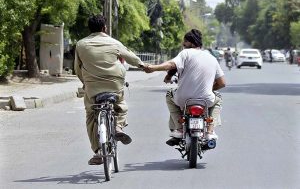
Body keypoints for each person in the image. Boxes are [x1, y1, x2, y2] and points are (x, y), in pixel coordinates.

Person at [74, 14, 145, 165]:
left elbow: (77, 68)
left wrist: (85, 83)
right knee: (121, 105)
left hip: (92, 86)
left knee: (91, 115)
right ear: (104, 28)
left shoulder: (80, 44)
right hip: (114, 84)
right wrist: (143, 66)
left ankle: (98, 151)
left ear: (90, 28)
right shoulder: (114, 42)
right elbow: (131, 57)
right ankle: (118, 126)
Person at [144, 29, 226, 145]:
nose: (183, 45)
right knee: (218, 99)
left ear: (192, 43)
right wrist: (208, 89)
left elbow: (172, 64)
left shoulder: (185, 53)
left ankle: (179, 128)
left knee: (169, 95)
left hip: (183, 99)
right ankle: (210, 130)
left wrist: (153, 68)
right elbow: (222, 83)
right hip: (206, 100)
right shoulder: (212, 58)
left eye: (185, 42)